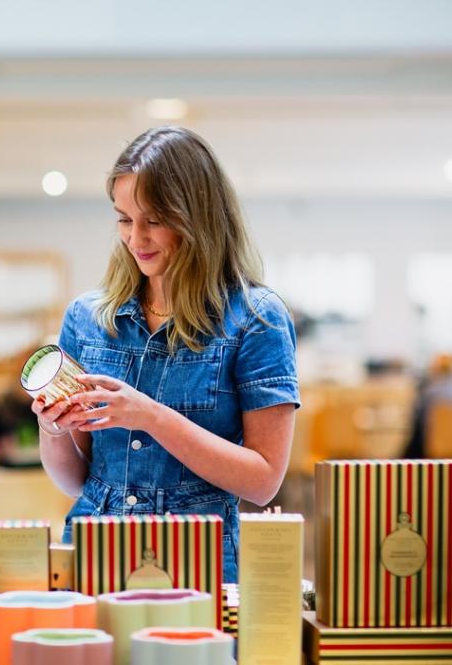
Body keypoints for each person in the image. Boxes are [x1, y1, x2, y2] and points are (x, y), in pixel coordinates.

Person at [32, 126, 300, 582]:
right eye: (123, 218)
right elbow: (73, 480)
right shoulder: (87, 316)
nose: (136, 238)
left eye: (154, 220)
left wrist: (150, 416)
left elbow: (263, 480)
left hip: (198, 558)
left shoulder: (257, 319)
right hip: (94, 546)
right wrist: (52, 427)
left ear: (198, 218)